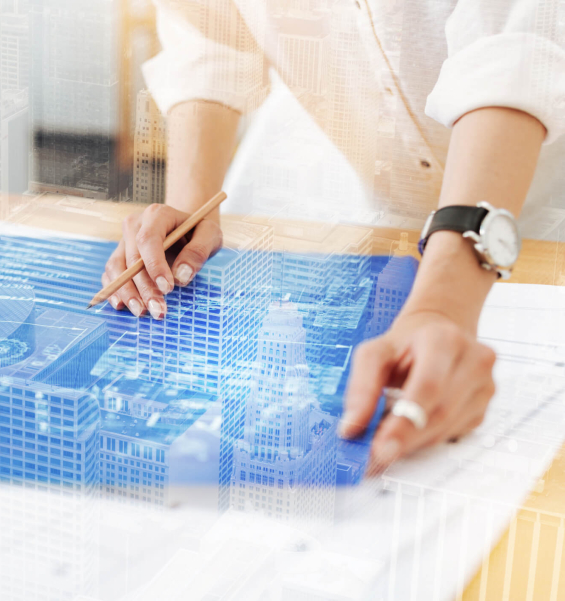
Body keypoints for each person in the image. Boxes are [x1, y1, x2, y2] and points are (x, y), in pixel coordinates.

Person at [102, 0, 564, 471]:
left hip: (540, 190)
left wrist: (441, 306)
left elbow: (516, 46)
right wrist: (189, 209)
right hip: (358, 177)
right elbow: (210, 31)